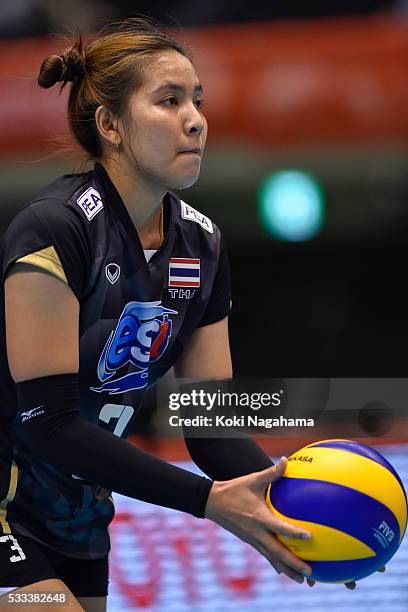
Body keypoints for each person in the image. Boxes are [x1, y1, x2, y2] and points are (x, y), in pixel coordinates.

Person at [0, 16, 321, 612]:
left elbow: (209, 422)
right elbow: (48, 420)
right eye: (169, 101)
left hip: (75, 513)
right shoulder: (53, 228)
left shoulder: (203, 245)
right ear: (111, 126)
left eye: (197, 100)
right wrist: (207, 501)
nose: (195, 119)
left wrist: (302, 512)